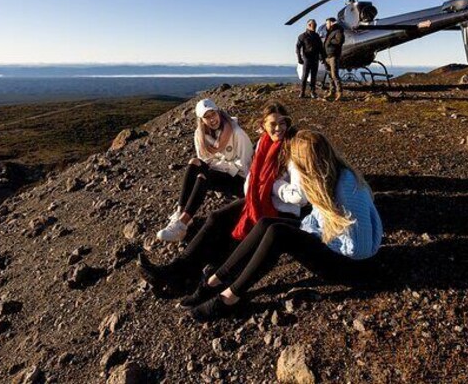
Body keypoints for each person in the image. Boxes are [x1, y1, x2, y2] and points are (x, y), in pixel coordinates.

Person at [185, 130, 383, 321]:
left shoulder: (345, 186)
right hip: (335, 243)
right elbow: (318, 217)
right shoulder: (328, 176)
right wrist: (309, 232)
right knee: (266, 224)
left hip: (351, 265)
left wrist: (319, 239)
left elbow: (360, 248)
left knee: (278, 234)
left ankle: (229, 298)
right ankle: (214, 281)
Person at [138, 103, 305, 288]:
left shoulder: (294, 148)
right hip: (256, 198)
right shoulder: (264, 144)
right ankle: (174, 270)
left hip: (280, 208)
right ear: (263, 125)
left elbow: (300, 196)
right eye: (272, 124)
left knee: (232, 235)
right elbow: (252, 175)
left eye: (282, 123)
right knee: (215, 218)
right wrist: (256, 186)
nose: (278, 128)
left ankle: (198, 276)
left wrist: (270, 185)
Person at [156, 98, 253, 242]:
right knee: (194, 163)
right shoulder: (200, 135)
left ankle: (181, 226)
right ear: (201, 120)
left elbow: (245, 167)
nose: (212, 119)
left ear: (218, 112)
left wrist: (217, 166)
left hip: (241, 180)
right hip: (221, 171)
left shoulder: (237, 133)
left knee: (203, 176)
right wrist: (215, 166)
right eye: (206, 117)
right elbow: (203, 159)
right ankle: (180, 212)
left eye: (213, 113)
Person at [295, 19, 324, 99]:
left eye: (315, 25)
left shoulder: (317, 36)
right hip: (307, 59)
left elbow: (321, 48)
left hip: (315, 59)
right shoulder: (302, 36)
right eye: (313, 25)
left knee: (314, 76)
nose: (314, 27)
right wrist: (299, 58)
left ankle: (312, 92)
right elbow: (297, 48)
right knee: (305, 76)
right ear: (309, 25)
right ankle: (302, 92)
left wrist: (323, 57)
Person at [323, 17, 345, 101]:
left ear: (331, 23)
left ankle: (339, 92)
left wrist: (330, 42)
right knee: (330, 75)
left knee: (334, 75)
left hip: (333, 56)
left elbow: (340, 41)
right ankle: (332, 92)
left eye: (327, 23)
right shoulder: (330, 32)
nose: (326, 25)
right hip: (327, 57)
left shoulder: (338, 31)